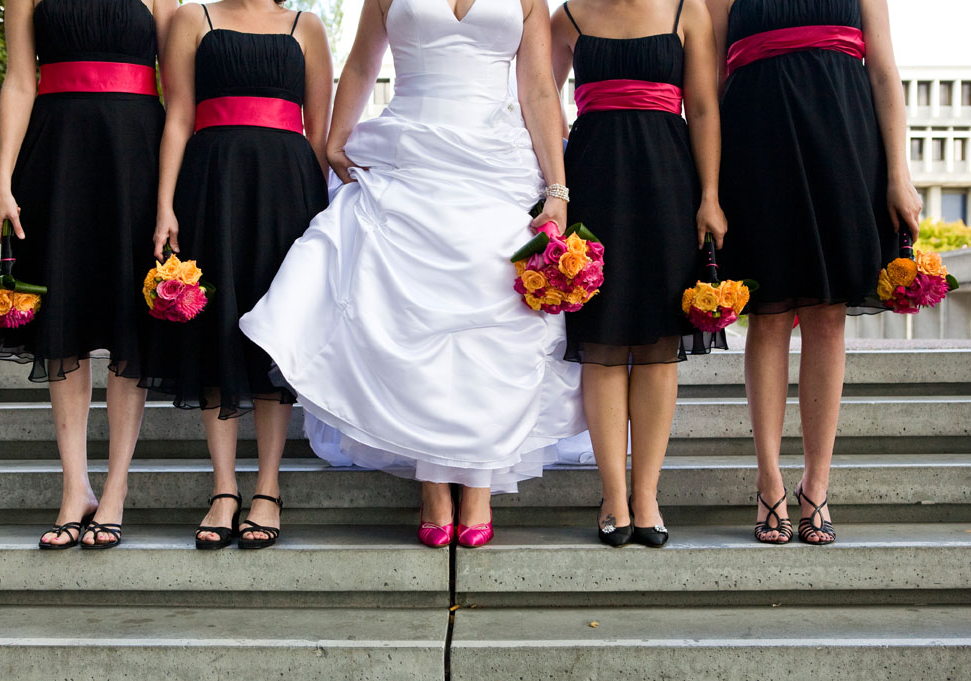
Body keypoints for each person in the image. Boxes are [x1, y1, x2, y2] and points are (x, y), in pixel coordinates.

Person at [240, 0, 586, 549]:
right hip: (411, 156)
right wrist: (337, 137)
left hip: (494, 164)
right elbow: (359, 65)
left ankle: (477, 480)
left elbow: (540, 89)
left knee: (493, 316)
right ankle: (433, 481)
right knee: (414, 311)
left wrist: (557, 190)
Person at [707, 0, 921, 544]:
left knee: (827, 317)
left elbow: (884, 70)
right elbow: (706, 86)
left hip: (844, 143)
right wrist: (705, 188)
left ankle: (817, 484)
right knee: (770, 316)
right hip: (755, 148)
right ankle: (770, 479)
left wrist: (899, 173)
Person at [0, 0, 177, 549]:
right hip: (54, 157)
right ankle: (76, 489)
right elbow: (20, 81)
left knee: (127, 324)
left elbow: (178, 94)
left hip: (135, 157)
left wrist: (170, 193)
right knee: (61, 323)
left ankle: (114, 489)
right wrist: (2, 178)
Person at [146, 0, 332, 550]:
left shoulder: (308, 27)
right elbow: (177, 115)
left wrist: (321, 220)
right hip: (212, 186)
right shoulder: (190, 19)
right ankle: (224, 489)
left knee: (272, 336)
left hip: (286, 191)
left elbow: (317, 134)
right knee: (217, 328)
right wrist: (165, 205)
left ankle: (268, 488)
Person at [551, 0, 726, 547]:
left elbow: (701, 108)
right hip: (593, 177)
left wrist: (711, 196)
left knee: (657, 342)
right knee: (600, 341)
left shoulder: (686, 11)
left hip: (667, 180)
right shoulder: (567, 17)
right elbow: (535, 97)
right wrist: (558, 171)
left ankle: (646, 492)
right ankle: (613, 494)